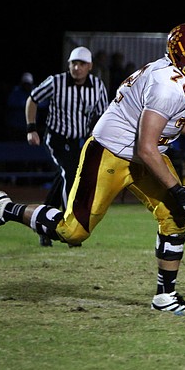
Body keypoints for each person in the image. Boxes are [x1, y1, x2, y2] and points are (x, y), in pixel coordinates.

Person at [0, 23, 185, 313]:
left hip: (144, 153)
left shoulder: (179, 77)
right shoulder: (167, 84)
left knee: (174, 217)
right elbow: (146, 147)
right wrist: (177, 188)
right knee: (72, 232)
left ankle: (165, 297)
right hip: (111, 152)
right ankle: (4, 208)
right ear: (179, 55)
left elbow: (175, 121)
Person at [26, 47, 109, 246]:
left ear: (89, 66)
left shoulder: (97, 86)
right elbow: (33, 99)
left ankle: (44, 224)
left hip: (78, 141)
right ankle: (68, 227)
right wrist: (31, 128)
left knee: (63, 178)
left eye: (81, 64)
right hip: (56, 138)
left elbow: (103, 115)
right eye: (73, 63)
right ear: (69, 64)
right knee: (71, 174)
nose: (76, 68)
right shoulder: (56, 82)